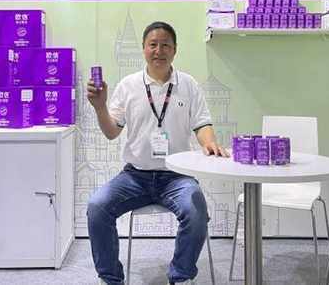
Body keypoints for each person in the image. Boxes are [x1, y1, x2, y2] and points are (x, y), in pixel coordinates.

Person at [86, 21, 228, 285]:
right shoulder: (128, 85)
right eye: (153, 44)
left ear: (175, 50)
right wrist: (100, 107)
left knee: (196, 213)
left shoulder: (188, 84)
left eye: (165, 45)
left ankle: (180, 276)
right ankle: (110, 278)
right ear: (143, 49)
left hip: (177, 176)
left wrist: (210, 143)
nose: (159, 51)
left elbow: (202, 124)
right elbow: (111, 132)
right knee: (97, 206)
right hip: (134, 176)